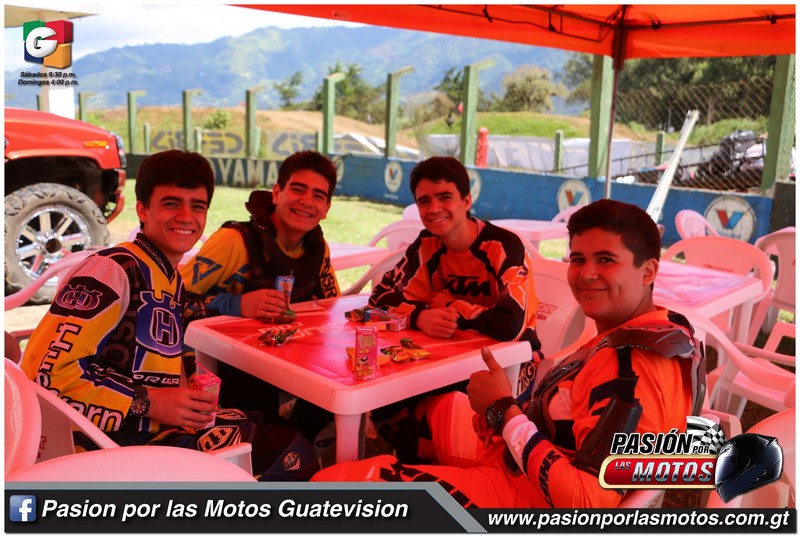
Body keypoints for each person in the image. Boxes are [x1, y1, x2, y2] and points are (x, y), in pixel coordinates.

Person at [313, 199, 706, 507]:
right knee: (439, 409)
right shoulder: (661, 328)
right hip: (532, 456)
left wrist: (505, 412)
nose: (586, 274)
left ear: (648, 271)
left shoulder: (632, 366)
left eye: (606, 260)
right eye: (578, 259)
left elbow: (587, 501)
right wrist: (507, 415)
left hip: (530, 498)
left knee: (328, 489)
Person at [21, 150, 319, 481]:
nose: (187, 217)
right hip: (112, 449)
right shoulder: (112, 270)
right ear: (142, 210)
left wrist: (183, 391)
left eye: (198, 206)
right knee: (295, 453)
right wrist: (148, 402)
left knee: (273, 421)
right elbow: (43, 374)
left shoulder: (169, 276)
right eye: (172, 203)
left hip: (154, 428)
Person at [366, 156, 542, 462]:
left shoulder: (504, 245)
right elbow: (379, 297)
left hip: (510, 365)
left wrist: (450, 305)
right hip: (445, 356)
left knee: (428, 406)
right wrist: (421, 315)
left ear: (466, 201)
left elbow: (510, 324)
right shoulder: (427, 244)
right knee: (384, 401)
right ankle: (419, 464)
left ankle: (441, 462)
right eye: (424, 201)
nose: (434, 208)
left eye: (444, 197)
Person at [180, 150, 339, 447]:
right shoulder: (233, 241)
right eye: (298, 189)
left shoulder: (319, 249)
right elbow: (171, 302)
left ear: (326, 208)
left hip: (289, 359)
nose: (307, 201)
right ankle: (275, 447)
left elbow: (334, 308)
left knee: (335, 382)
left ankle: (298, 442)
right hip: (222, 365)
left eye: (318, 195)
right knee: (256, 397)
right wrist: (236, 304)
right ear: (277, 193)